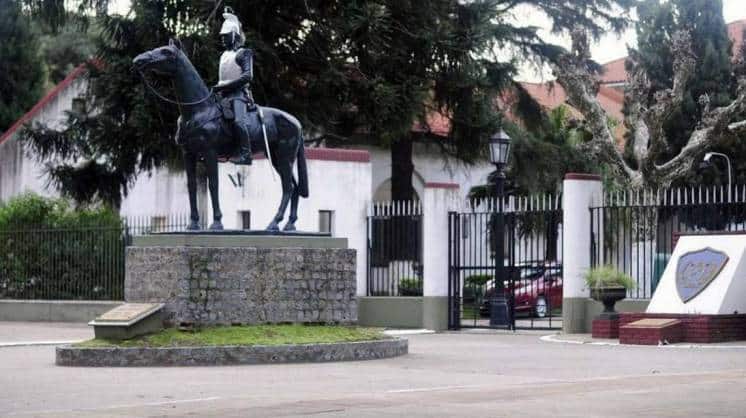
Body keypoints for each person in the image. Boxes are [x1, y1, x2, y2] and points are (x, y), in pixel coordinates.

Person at [213, 10, 254, 165]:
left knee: (238, 122)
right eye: (222, 36)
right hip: (223, 96)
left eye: (226, 35)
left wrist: (224, 86)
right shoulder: (223, 56)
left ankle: (246, 154)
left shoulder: (244, 53)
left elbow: (247, 77)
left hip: (238, 95)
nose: (222, 38)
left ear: (234, 35)